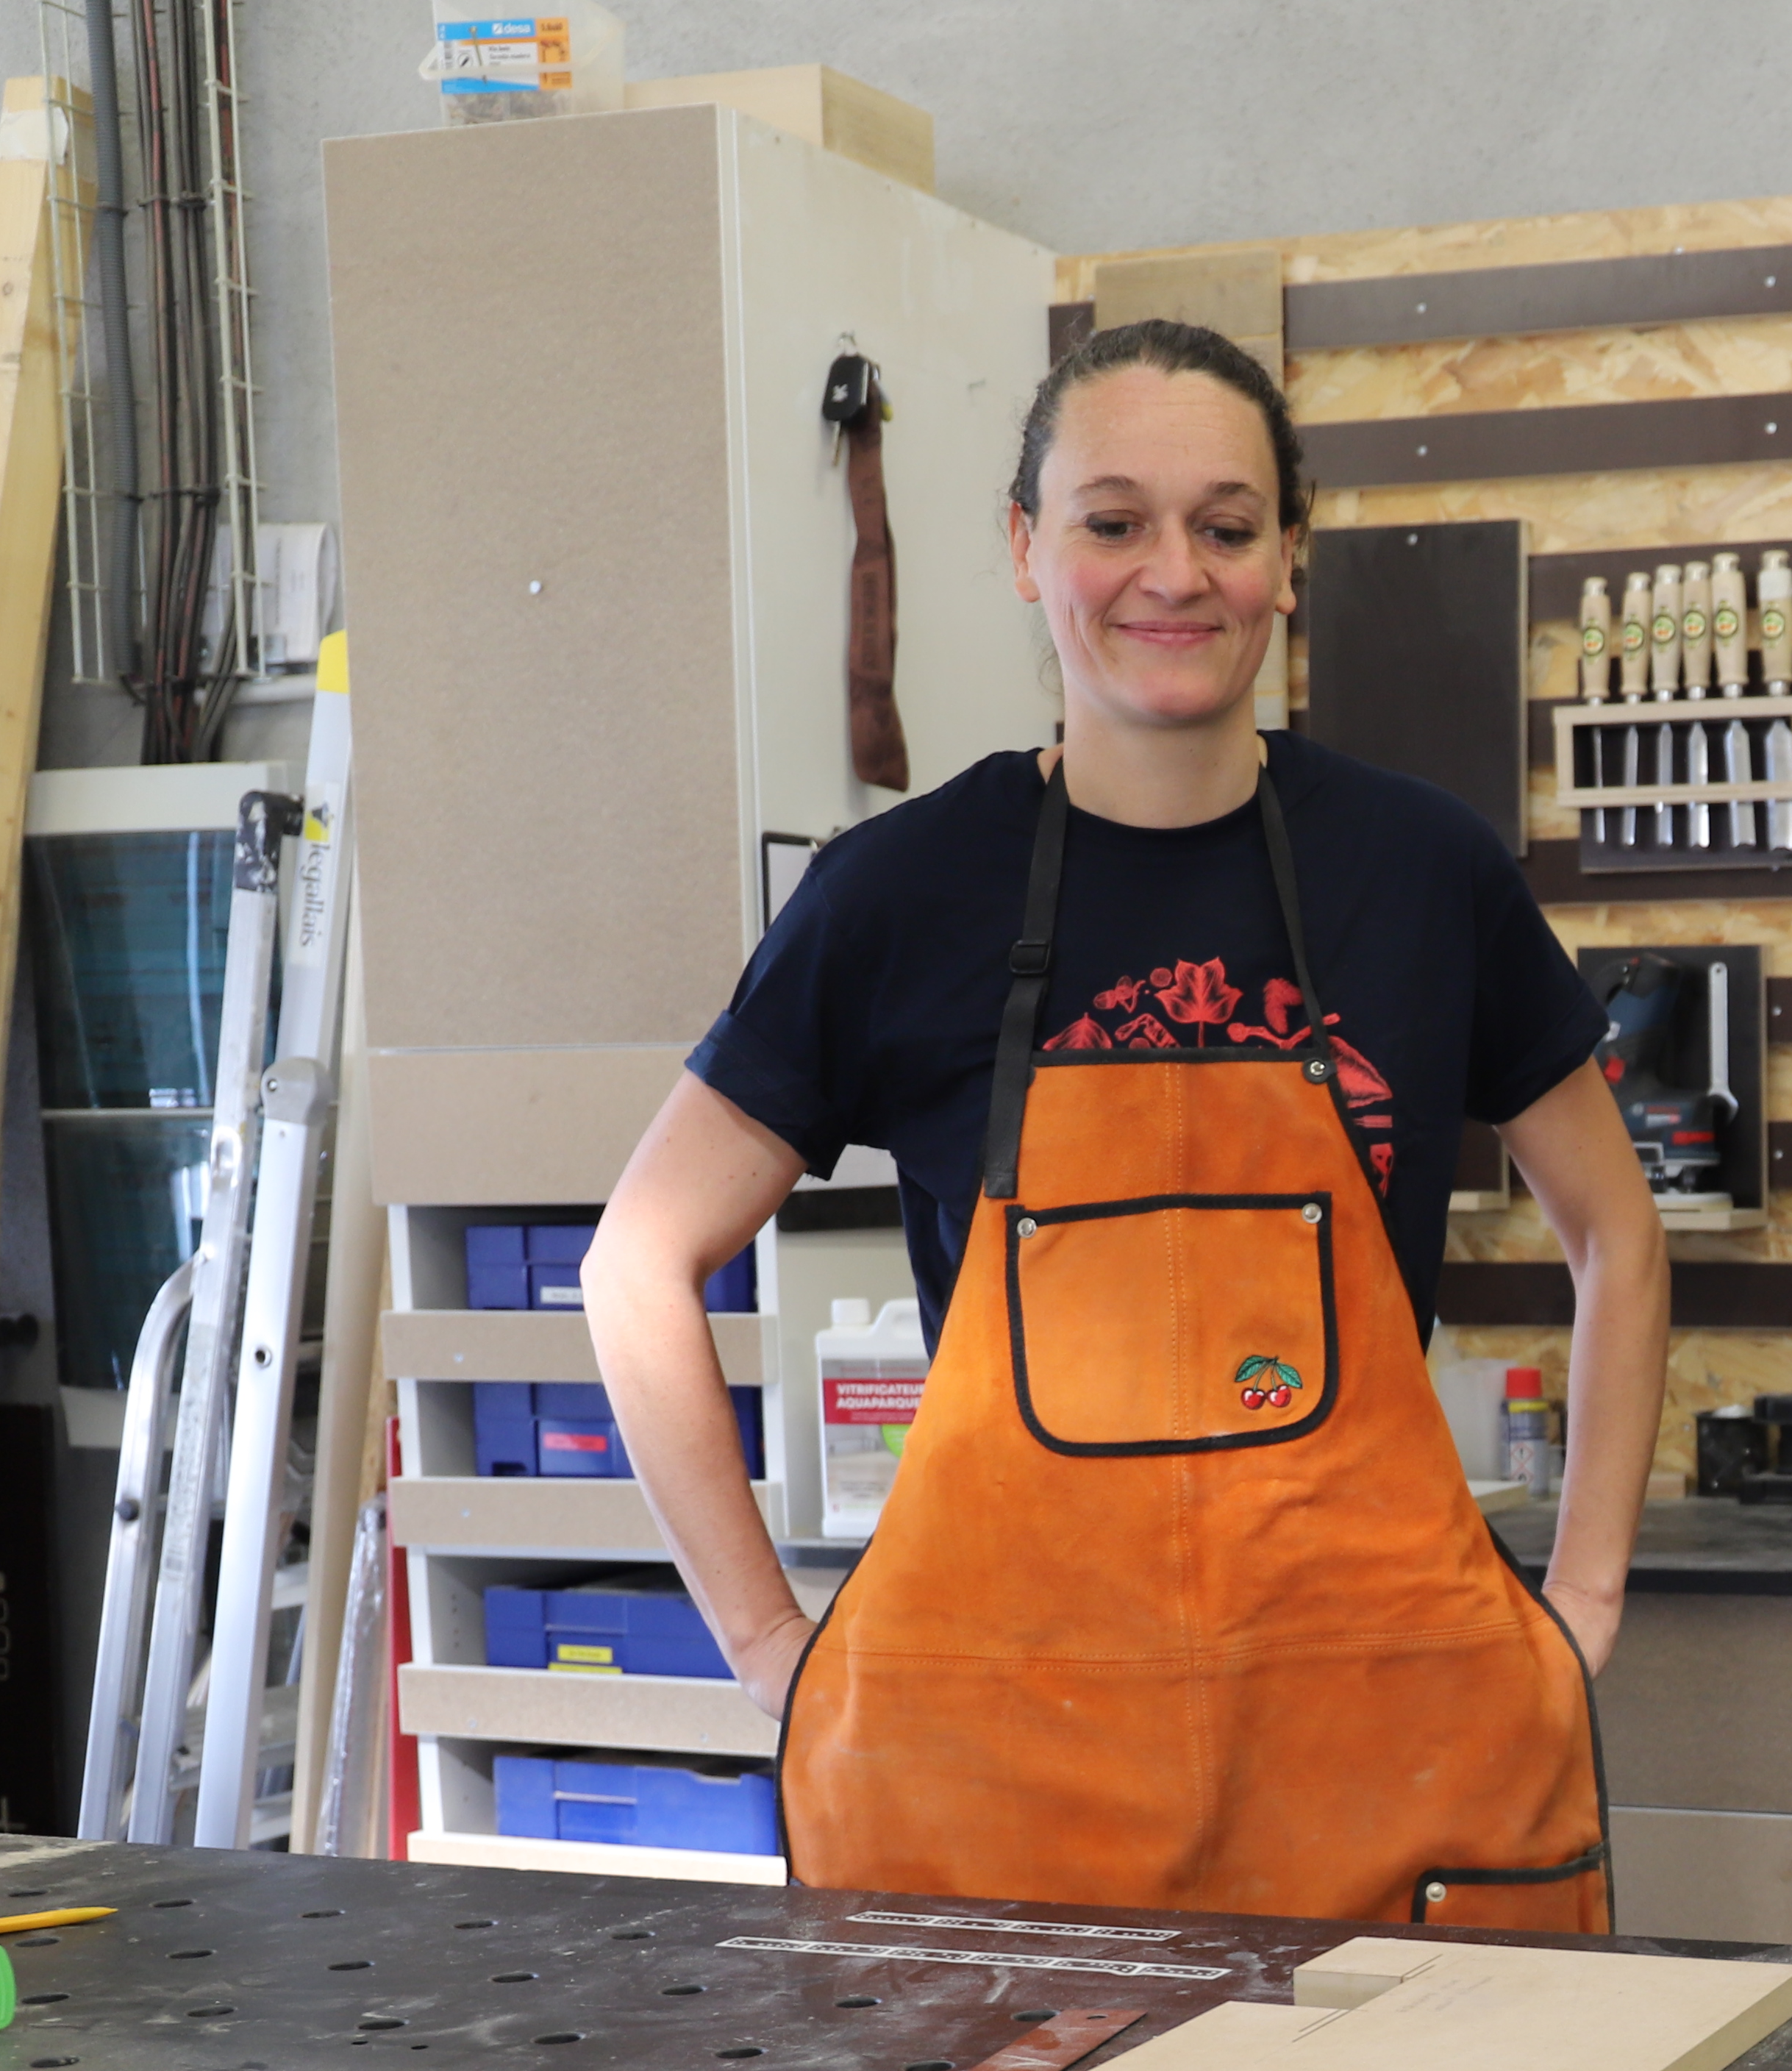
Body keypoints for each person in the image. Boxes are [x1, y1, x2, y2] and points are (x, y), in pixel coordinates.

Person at [582, 320, 1664, 1925]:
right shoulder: (900, 895)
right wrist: (770, 1648)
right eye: (1112, 521)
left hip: (1380, 1758)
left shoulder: (1423, 875)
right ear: (1026, 549)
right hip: (1009, 1778)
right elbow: (636, 1263)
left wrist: (1577, 1600)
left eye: (1227, 528)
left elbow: (1617, 1229)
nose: (1176, 572)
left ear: (1290, 560)